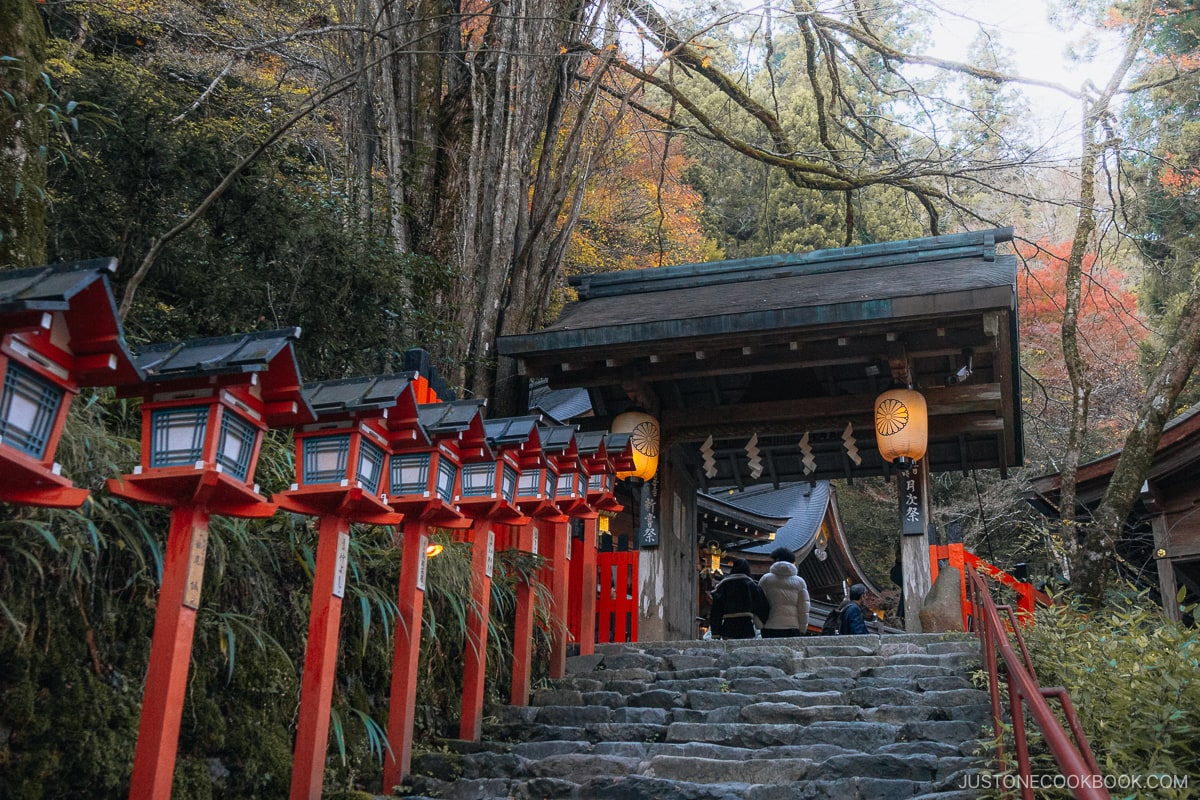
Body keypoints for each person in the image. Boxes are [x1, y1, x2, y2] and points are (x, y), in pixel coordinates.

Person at [708, 558, 768, 640]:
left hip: (728, 628)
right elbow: (762, 607)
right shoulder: (752, 586)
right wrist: (762, 625)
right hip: (747, 627)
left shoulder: (722, 586)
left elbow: (716, 612)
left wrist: (716, 633)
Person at [759, 546, 810, 637]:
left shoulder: (765, 579)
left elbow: (759, 604)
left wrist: (760, 625)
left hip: (770, 626)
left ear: (776, 560)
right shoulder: (800, 582)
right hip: (793, 627)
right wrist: (802, 628)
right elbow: (804, 608)